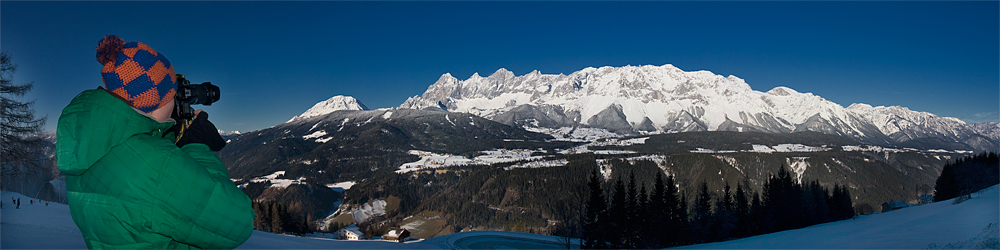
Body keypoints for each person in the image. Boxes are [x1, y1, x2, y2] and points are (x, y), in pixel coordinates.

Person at [56, 35, 252, 249]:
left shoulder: (89, 147)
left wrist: (165, 134)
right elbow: (239, 222)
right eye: (171, 93)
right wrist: (196, 145)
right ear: (157, 99)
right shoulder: (155, 164)